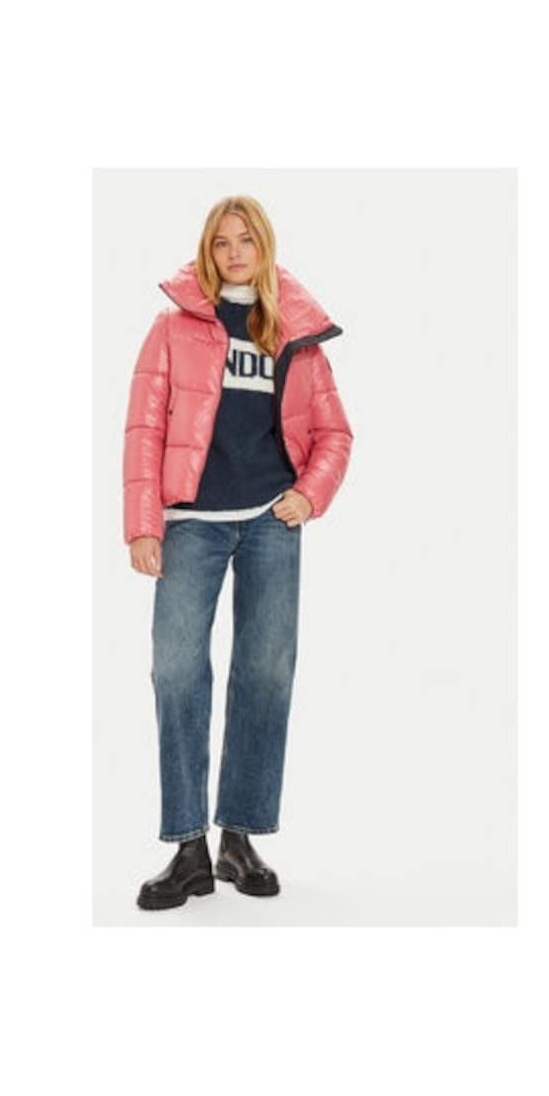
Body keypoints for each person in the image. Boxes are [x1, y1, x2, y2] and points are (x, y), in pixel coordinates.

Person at [122, 195, 354, 910]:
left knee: (266, 673)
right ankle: (188, 848)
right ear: (207, 250)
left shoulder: (295, 332)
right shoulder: (172, 327)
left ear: (264, 246)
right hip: (191, 523)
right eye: (221, 242)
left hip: (269, 524)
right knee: (175, 671)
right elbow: (143, 428)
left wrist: (308, 497)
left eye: (245, 240)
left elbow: (335, 433)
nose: (233, 253)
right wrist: (143, 525)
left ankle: (239, 838)